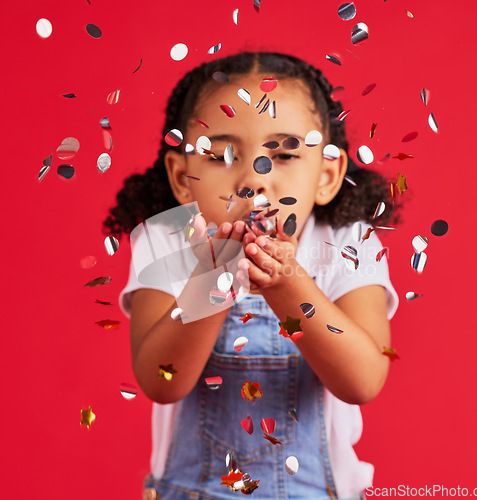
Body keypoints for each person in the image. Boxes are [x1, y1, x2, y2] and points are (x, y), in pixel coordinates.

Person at [103, 51, 401, 500]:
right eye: (223, 156)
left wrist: (289, 285)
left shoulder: (348, 244)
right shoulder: (165, 237)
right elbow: (160, 381)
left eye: (282, 154)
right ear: (183, 177)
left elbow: (363, 380)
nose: (253, 180)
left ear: (327, 173)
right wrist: (214, 278)